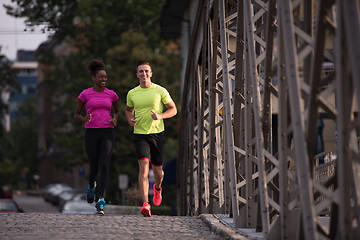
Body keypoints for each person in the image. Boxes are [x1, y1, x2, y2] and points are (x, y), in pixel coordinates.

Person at [125, 61, 177, 217]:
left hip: (157, 134)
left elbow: (173, 109)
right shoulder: (132, 93)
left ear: (151, 73)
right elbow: (128, 110)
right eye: (141, 71)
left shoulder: (160, 91)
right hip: (140, 134)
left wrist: (160, 116)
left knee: (158, 173)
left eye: (146, 71)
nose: (144, 74)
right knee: (143, 167)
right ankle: (146, 204)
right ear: (137, 74)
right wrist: (130, 120)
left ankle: (158, 188)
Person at [74, 59, 119, 214]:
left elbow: (117, 111)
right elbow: (76, 114)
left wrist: (115, 118)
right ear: (93, 78)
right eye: (101, 77)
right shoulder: (85, 94)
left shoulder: (111, 94)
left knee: (105, 165)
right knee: (93, 166)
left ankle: (101, 200)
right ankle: (91, 186)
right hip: (91, 133)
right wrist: (84, 119)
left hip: (107, 132)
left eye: (105, 77)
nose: (104, 80)